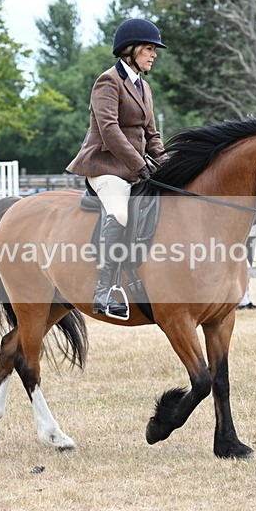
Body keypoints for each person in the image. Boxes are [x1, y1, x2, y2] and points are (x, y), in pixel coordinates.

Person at [65, 18, 168, 318]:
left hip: (135, 168)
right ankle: (105, 290)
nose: (154, 55)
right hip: (105, 167)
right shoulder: (108, 82)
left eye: (154, 50)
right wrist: (139, 164)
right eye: (149, 49)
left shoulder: (143, 87)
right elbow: (109, 130)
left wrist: (166, 166)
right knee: (120, 213)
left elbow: (151, 134)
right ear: (129, 50)